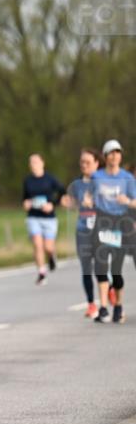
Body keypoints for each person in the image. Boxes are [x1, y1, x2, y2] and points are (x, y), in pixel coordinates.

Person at [91, 139, 136, 324]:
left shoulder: (127, 177)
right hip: (102, 220)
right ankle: (102, 307)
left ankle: (118, 306)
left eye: (118, 152)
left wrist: (127, 201)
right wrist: (86, 201)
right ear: (105, 156)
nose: (115, 156)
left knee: (116, 269)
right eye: (111, 152)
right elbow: (87, 196)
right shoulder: (96, 176)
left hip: (120, 222)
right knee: (101, 264)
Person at [62, 148, 102, 318]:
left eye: (88, 162)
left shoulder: (103, 181)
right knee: (86, 267)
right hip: (83, 230)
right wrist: (69, 203)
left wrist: (94, 202)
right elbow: (73, 204)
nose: (84, 165)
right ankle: (91, 304)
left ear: (97, 163)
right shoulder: (77, 184)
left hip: (101, 229)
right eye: (82, 162)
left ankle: (109, 294)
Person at [22, 153, 66, 286]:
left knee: (48, 246)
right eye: (31, 162)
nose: (33, 165)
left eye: (36, 162)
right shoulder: (27, 180)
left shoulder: (50, 179)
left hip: (49, 218)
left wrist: (52, 204)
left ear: (42, 163)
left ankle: (52, 256)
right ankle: (42, 272)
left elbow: (62, 192)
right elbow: (24, 198)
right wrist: (26, 203)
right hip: (33, 217)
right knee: (37, 244)